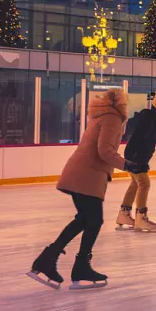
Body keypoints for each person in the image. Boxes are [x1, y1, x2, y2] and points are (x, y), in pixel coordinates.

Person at [28, 89, 141, 290]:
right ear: (121, 103)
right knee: (93, 220)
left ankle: (48, 259)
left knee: (84, 219)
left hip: (81, 172)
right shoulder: (112, 119)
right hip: (87, 175)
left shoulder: (102, 116)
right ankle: (79, 266)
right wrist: (128, 165)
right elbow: (104, 151)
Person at [116, 94, 156, 233]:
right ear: (154, 104)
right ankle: (141, 217)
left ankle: (124, 214)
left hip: (136, 153)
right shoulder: (150, 116)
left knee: (135, 184)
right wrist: (140, 159)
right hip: (136, 155)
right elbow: (144, 138)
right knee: (144, 184)